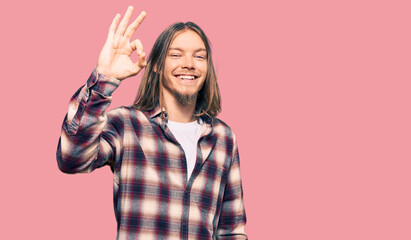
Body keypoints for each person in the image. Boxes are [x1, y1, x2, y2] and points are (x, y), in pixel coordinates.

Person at [57, 6, 247, 239]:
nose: (189, 63)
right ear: (156, 65)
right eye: (176, 54)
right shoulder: (126, 124)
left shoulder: (223, 137)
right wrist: (105, 78)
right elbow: (71, 158)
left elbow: (231, 230)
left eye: (199, 56)